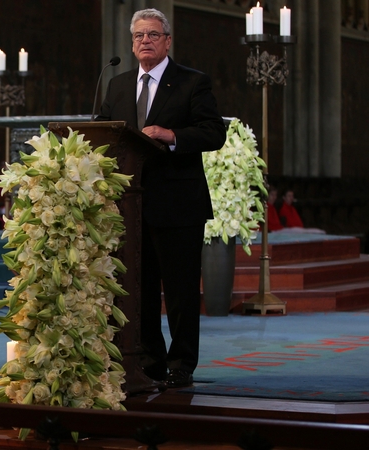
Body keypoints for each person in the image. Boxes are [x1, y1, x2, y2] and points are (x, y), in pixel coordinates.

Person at [97, 8, 226, 389]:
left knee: (181, 291)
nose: (145, 41)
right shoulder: (118, 85)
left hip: (178, 204)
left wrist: (172, 136)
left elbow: (214, 133)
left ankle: (182, 363)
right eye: (139, 36)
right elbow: (103, 131)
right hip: (130, 206)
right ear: (131, 44)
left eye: (153, 34)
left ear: (167, 41)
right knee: (141, 290)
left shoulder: (191, 82)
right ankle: (150, 360)